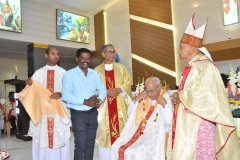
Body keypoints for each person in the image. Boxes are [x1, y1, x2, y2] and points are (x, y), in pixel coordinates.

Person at [168, 14, 240, 160]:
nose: (178, 50)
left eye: (181, 47)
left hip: (200, 124)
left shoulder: (205, 66)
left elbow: (204, 96)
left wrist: (180, 95)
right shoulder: (192, 67)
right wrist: (177, 95)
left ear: (192, 48)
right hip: (187, 122)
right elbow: (187, 92)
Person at [24, 47, 71, 160]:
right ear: (46, 56)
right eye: (53, 53)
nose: (56, 56)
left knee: (59, 137)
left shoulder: (64, 73)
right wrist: (29, 84)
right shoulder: (39, 73)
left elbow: (70, 92)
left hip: (58, 114)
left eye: (57, 54)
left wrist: (61, 94)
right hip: (43, 114)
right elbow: (32, 94)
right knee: (42, 137)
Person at [111, 77, 173, 160]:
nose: (149, 94)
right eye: (147, 91)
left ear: (159, 88)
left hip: (153, 135)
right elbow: (130, 114)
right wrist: (137, 99)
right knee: (116, 146)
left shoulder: (165, 98)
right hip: (137, 132)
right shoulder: (143, 97)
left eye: (152, 91)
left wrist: (165, 105)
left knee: (138, 153)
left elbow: (170, 121)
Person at [62, 48, 107, 160]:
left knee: (90, 144)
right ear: (77, 59)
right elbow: (66, 95)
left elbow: (102, 89)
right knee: (80, 145)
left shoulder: (94, 73)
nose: (85, 60)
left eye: (88, 58)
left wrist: (98, 100)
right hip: (78, 114)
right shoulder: (69, 74)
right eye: (83, 58)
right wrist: (85, 101)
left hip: (92, 113)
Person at [94, 44, 132, 160]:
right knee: (105, 135)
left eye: (113, 52)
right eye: (109, 52)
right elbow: (93, 88)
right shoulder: (96, 71)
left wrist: (120, 89)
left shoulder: (121, 68)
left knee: (121, 136)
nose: (112, 54)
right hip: (104, 109)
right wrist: (106, 92)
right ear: (103, 54)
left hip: (119, 107)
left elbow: (128, 83)